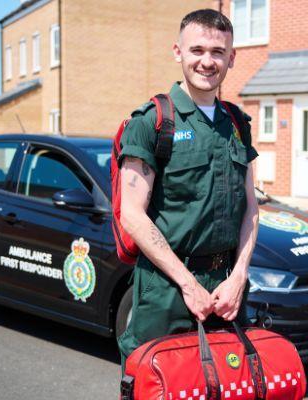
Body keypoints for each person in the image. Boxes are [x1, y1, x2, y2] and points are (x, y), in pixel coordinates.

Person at [116, 9, 259, 373]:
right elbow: (132, 215)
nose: (207, 61)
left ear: (231, 57)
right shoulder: (152, 122)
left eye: (217, 51)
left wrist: (239, 276)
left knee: (226, 385)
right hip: (165, 290)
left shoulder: (237, 124)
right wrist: (187, 284)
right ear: (178, 52)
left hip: (226, 290)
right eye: (197, 50)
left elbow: (251, 208)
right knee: (159, 384)